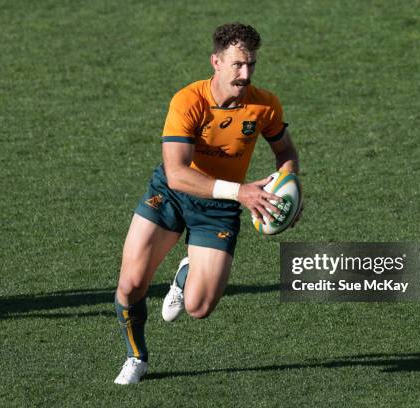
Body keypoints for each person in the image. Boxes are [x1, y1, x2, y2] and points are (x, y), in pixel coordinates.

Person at [114, 22, 301, 385]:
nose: (245, 74)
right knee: (131, 284)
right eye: (237, 65)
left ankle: (186, 275)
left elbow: (285, 150)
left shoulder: (264, 105)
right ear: (216, 61)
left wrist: (291, 186)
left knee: (199, 308)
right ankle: (136, 357)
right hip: (171, 195)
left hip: (217, 208)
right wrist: (241, 192)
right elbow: (176, 174)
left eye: (251, 65)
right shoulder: (189, 101)